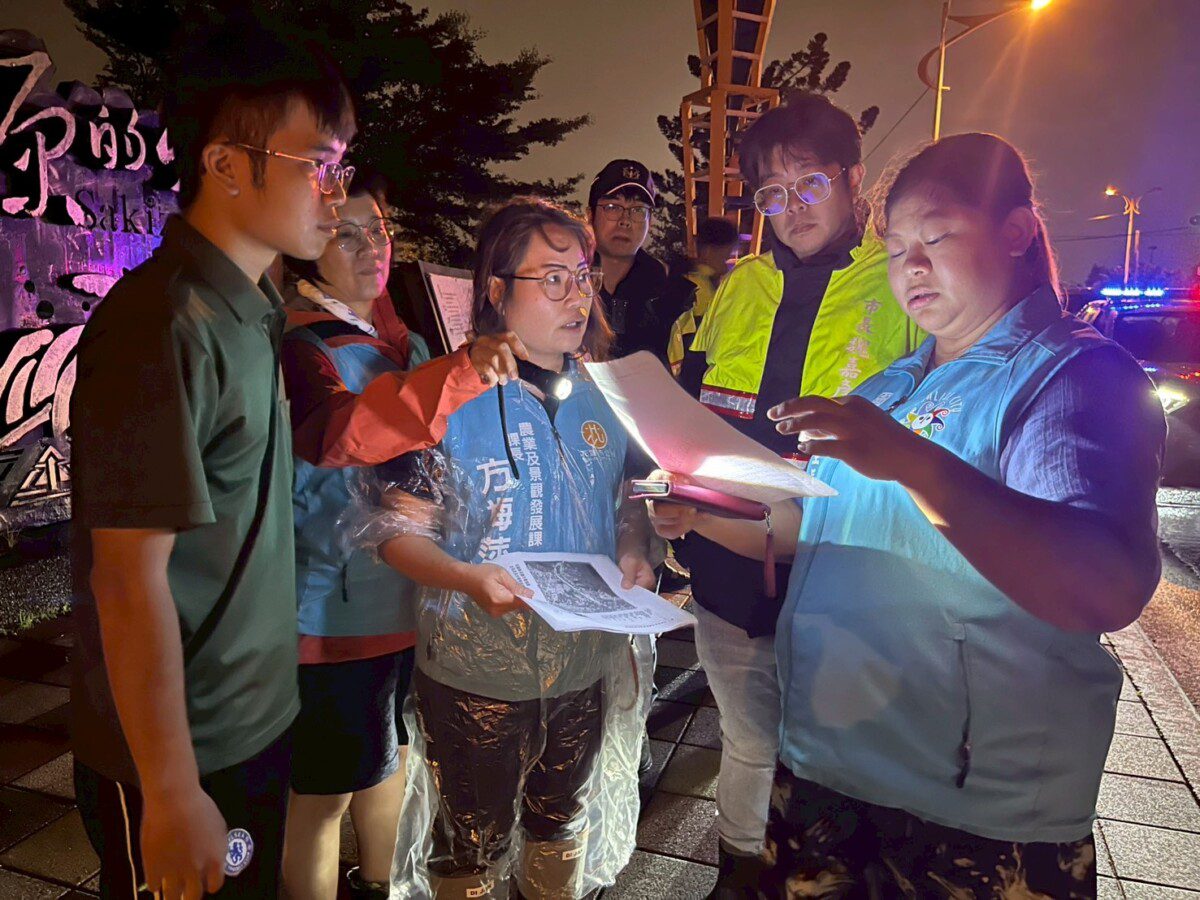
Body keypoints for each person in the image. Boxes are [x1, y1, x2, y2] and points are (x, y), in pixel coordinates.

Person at [650, 132, 1166, 897]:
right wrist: (697, 512)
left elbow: (1105, 586)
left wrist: (909, 460)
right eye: (894, 248)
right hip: (827, 775)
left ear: (1019, 232)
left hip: (969, 817)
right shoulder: (894, 387)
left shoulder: (1074, 376)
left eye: (937, 237)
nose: (911, 267)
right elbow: (814, 532)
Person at [68, 19, 355, 899]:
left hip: (255, 721)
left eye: (343, 168)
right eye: (320, 164)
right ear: (228, 163)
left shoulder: (255, 307)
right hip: (183, 753)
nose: (336, 195)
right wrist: (169, 790)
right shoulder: (161, 327)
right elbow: (127, 578)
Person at [361, 198, 656, 898]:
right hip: (475, 669)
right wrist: (465, 577)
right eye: (551, 278)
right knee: (470, 842)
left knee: (561, 822)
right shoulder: (447, 397)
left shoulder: (607, 397)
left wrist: (635, 550)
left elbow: (627, 506)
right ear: (496, 289)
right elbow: (394, 534)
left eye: (582, 276)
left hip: (582, 664)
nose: (576, 297)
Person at [672, 92, 922, 896]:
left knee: (830, 755)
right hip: (728, 571)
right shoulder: (737, 288)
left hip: (848, 581)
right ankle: (739, 870)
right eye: (771, 194)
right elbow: (691, 405)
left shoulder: (905, 290)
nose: (789, 209)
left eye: (808, 183)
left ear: (854, 181)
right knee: (746, 741)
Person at [278, 167, 430, 900]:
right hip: (333, 613)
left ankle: (381, 885)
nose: (373, 248)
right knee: (322, 795)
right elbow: (343, 437)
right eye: (349, 235)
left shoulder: (402, 338)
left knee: (389, 752)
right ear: (310, 247)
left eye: (381, 232)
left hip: (402, 603)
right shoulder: (303, 346)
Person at [587, 159, 669, 359]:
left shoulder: (666, 289)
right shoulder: (568, 280)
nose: (625, 221)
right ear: (590, 215)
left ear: (651, 221)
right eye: (613, 207)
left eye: (638, 210)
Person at [665, 216, 740, 374]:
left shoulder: (700, 281)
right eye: (727, 257)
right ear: (708, 251)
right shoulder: (695, 289)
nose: (729, 265)